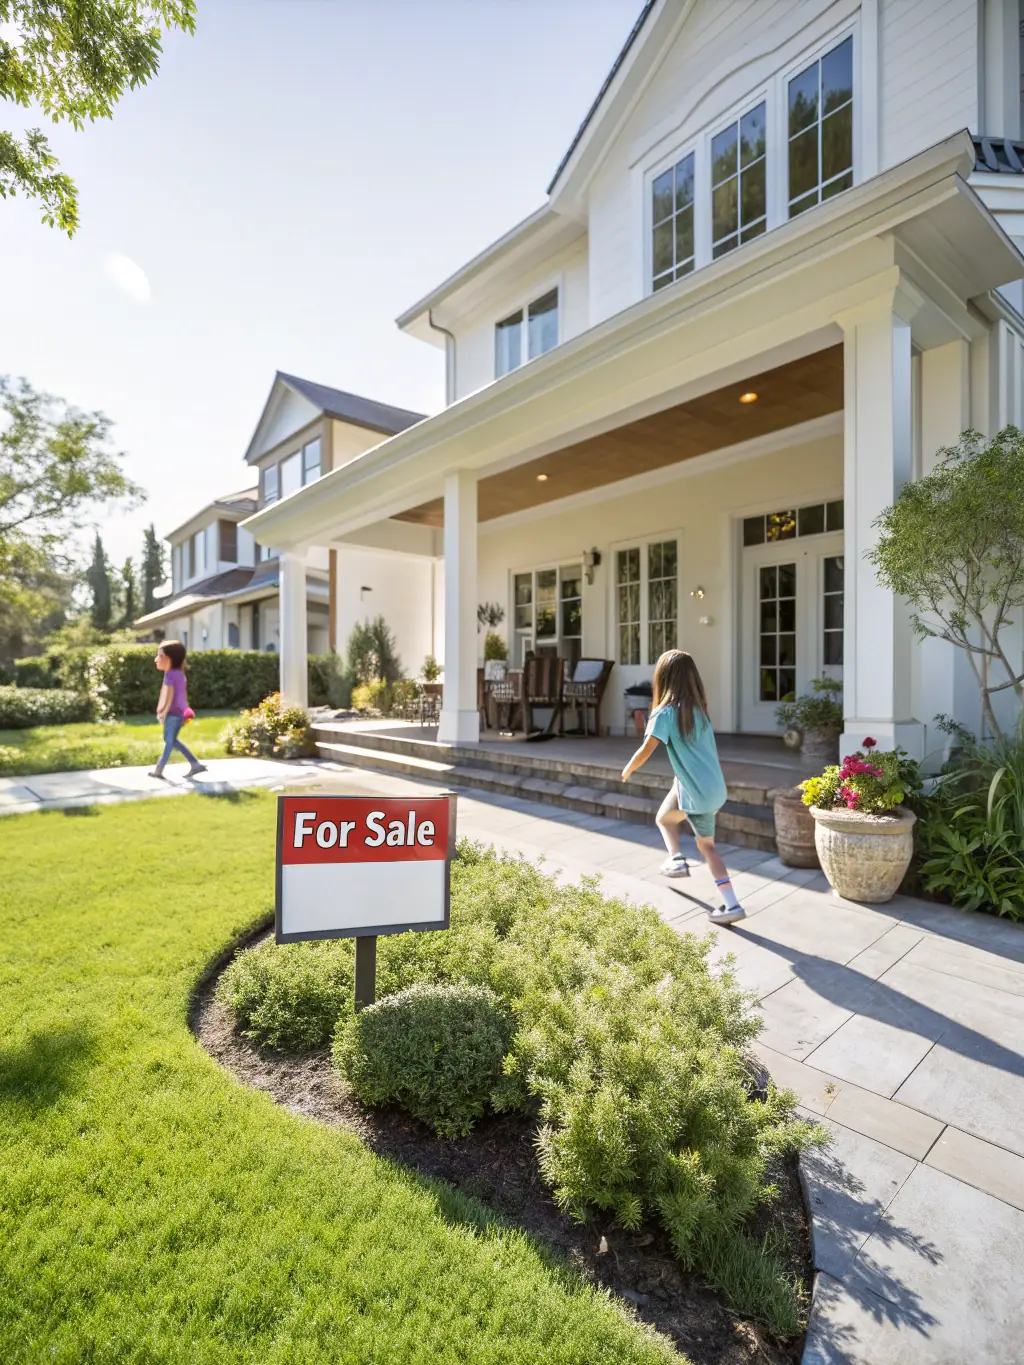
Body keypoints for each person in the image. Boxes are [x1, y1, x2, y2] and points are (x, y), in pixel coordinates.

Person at [621, 649, 745, 926]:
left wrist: (628, 769)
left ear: (662, 679)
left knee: (707, 847)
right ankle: (675, 859)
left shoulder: (664, 714)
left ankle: (732, 904)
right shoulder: (699, 712)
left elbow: (645, 750)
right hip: (711, 788)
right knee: (664, 818)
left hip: (697, 793)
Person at [149, 641, 207, 781]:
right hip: (179, 712)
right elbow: (182, 695)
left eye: (160, 655)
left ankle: (159, 770)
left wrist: (163, 712)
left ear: (170, 659)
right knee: (171, 740)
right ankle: (195, 765)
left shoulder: (170, 675)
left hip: (173, 713)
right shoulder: (179, 674)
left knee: (169, 741)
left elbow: (170, 695)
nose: (156, 659)